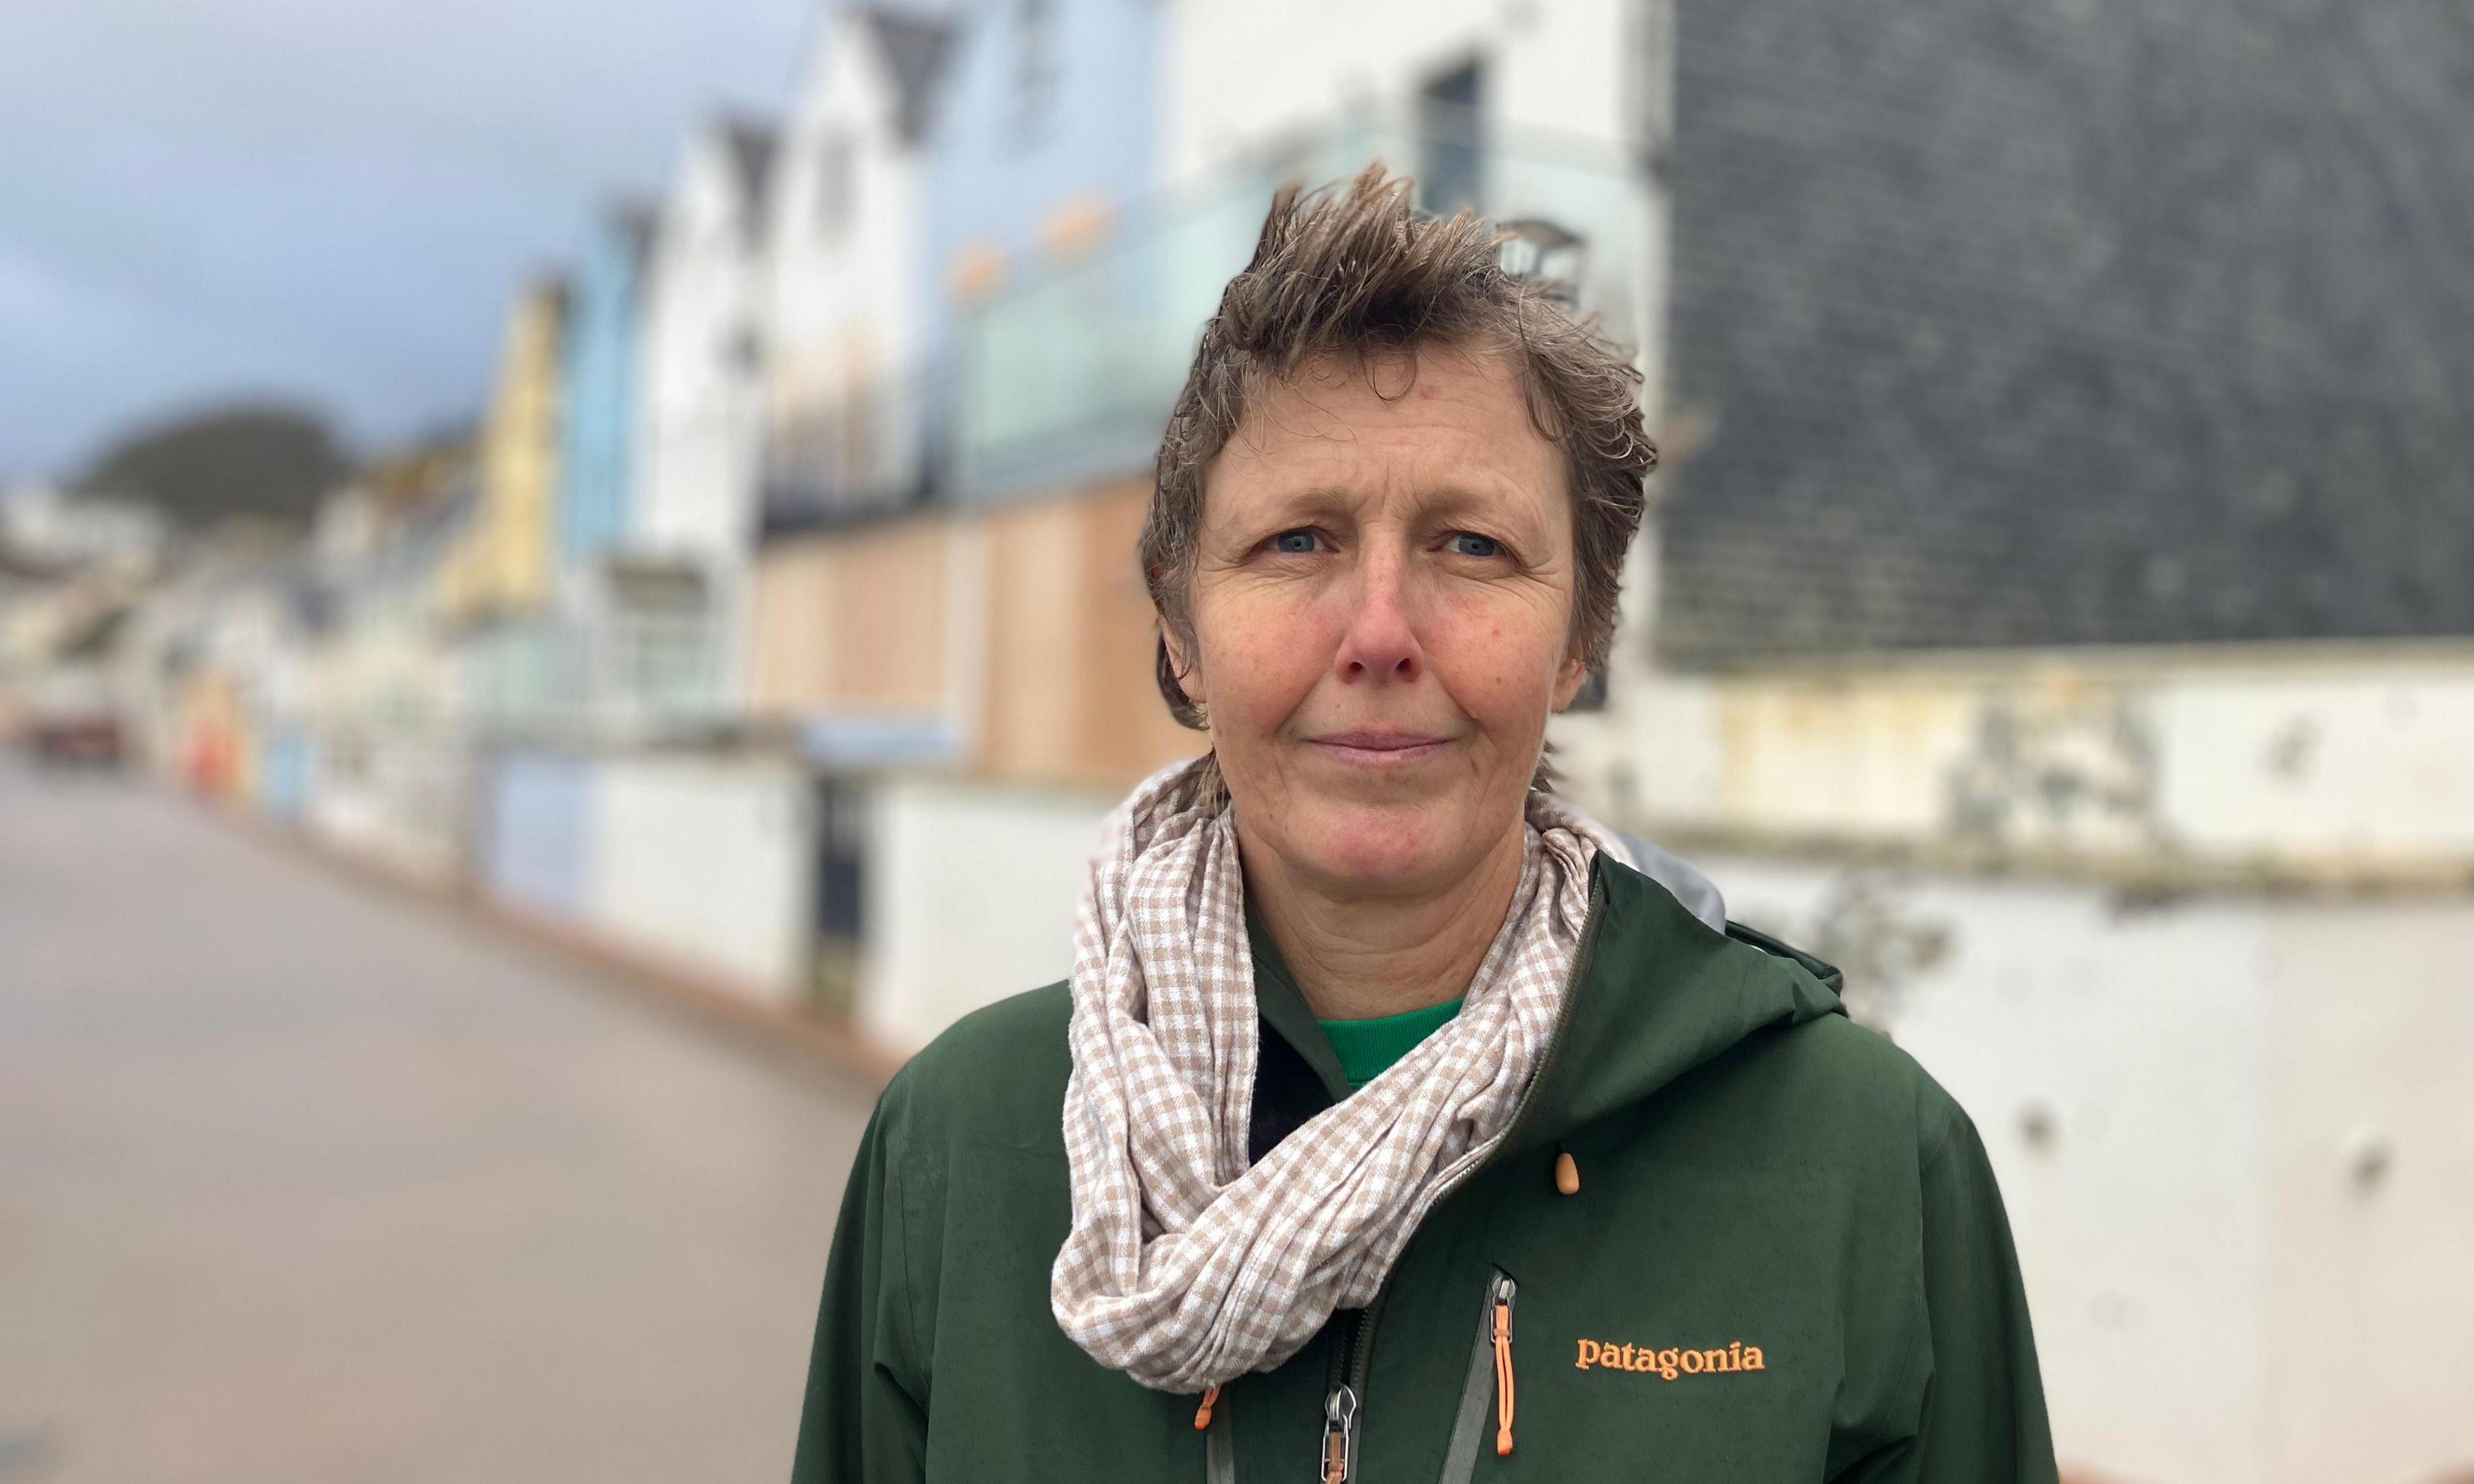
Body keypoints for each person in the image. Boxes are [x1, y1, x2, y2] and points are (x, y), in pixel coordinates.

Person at [792, 166, 2055, 1483]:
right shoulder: (958, 1148)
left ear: (1581, 640)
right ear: (1182, 627)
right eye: (1296, 542)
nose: (1381, 633)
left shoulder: (1865, 1167)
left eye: (1473, 547)